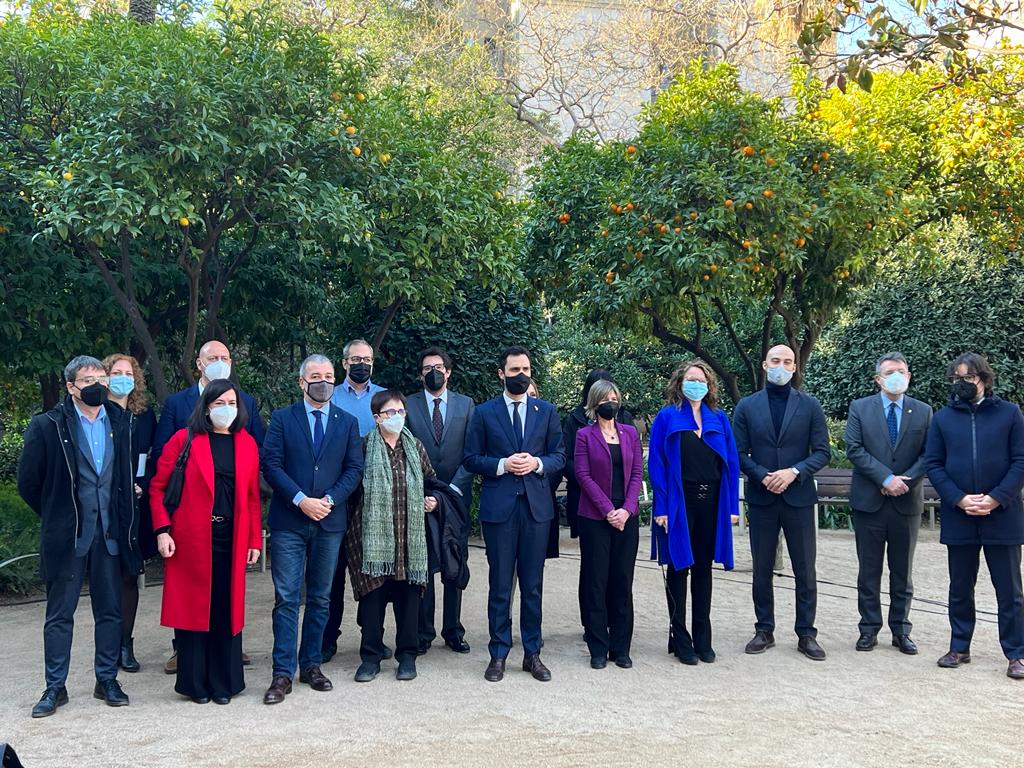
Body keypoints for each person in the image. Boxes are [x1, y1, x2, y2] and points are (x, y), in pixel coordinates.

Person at [18, 355, 140, 717]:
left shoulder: (121, 421)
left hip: (109, 534)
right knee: (59, 615)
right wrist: (58, 516)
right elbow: (29, 483)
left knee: (110, 610)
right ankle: (55, 687)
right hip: (68, 537)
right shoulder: (48, 425)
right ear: (71, 387)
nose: (98, 385)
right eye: (89, 380)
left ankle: (107, 679)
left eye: (101, 377)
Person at [152, 339, 264, 674]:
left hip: (232, 535)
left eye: (231, 402)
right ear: (206, 407)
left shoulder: (246, 444)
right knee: (193, 607)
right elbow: (158, 487)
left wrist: (255, 540)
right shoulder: (183, 439)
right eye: (219, 402)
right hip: (190, 537)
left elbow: (252, 496)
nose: (226, 407)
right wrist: (162, 530)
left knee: (225, 608)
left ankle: (226, 680)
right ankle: (194, 681)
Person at [260, 355, 364, 704]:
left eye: (329, 376)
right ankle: (282, 673)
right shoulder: (282, 418)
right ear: (301, 382)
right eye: (315, 376)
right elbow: (271, 465)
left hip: (330, 520)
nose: (323, 382)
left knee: (321, 597)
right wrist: (302, 499)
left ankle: (312, 664)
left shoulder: (347, 423)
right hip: (290, 520)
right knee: (287, 598)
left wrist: (330, 500)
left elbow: (353, 469)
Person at [463, 347, 565, 682]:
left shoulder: (546, 411)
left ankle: (532, 653)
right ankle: (498, 653)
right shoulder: (484, 412)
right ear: (501, 373)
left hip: (537, 509)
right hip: (500, 509)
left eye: (526, 368)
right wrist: (501, 465)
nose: (521, 374)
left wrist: (536, 464)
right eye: (514, 369)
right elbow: (471, 458)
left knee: (533, 585)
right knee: (500, 584)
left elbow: (558, 457)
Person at [925, 352, 1024, 679]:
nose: (960, 384)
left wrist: (996, 498)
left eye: (967, 378)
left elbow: (1020, 461)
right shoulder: (942, 418)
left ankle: (1016, 653)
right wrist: (958, 499)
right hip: (960, 514)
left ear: (983, 378)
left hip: (1003, 514)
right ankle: (959, 646)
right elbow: (934, 464)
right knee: (959, 586)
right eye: (955, 379)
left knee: (1009, 589)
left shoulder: (1010, 414)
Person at [733, 344, 831, 660]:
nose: (781, 366)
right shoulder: (747, 406)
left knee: (805, 568)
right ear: (765, 364)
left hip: (798, 496)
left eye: (787, 361)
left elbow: (822, 452)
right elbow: (738, 453)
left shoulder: (810, 405)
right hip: (762, 496)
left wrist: (793, 472)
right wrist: (763, 475)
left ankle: (806, 633)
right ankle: (764, 629)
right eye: (776, 360)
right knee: (762, 567)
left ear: (795, 367)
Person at [345, 391, 440, 683]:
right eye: (389, 412)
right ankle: (370, 657)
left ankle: (407, 656)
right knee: (372, 600)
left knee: (409, 600)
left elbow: (431, 482)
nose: (396, 417)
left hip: (409, 541)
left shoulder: (415, 447)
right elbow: (350, 491)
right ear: (376, 417)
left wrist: (433, 500)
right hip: (372, 542)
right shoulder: (362, 448)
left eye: (400, 411)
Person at [650, 361, 740, 665]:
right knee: (678, 567)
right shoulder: (667, 417)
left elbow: (731, 464)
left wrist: (731, 507)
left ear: (709, 385)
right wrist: (661, 506)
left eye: (701, 380)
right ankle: (680, 637)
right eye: (690, 379)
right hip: (679, 501)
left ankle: (703, 638)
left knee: (703, 568)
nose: (696, 384)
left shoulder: (719, 418)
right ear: (679, 383)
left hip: (712, 501)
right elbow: (657, 465)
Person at [845, 352, 932, 654]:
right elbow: (854, 449)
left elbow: (929, 454)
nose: (897, 376)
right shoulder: (860, 408)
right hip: (870, 501)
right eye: (890, 371)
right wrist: (885, 479)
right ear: (878, 378)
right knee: (869, 570)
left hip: (906, 502)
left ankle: (901, 629)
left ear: (909, 376)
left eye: (902, 371)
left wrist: (903, 481)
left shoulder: (923, 411)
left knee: (902, 571)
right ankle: (868, 628)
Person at [405, 347, 475, 656]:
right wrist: (424, 494)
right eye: (426, 367)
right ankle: (424, 631)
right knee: (425, 564)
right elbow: (405, 453)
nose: (433, 371)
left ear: (448, 371)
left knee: (454, 562)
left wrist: (449, 491)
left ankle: (453, 630)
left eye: (438, 366)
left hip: (455, 498)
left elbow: (470, 454)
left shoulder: (467, 405)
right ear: (420, 373)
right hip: (420, 497)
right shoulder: (407, 404)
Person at [323, 338, 387, 662]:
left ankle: (371, 635)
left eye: (367, 359)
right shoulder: (329, 396)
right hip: (336, 493)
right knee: (332, 571)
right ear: (344, 363)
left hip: (374, 495)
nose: (362, 363)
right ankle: (327, 638)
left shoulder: (384, 398)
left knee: (372, 568)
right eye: (356, 358)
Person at [574, 379, 644, 669]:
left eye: (615, 397)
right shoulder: (584, 435)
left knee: (622, 581)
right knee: (596, 582)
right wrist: (608, 511)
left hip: (627, 519)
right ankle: (598, 647)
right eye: (605, 398)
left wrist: (626, 510)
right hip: (595, 519)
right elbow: (582, 474)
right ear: (595, 403)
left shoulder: (630, 433)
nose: (611, 403)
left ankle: (621, 647)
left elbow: (638, 473)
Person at [103, 353, 159, 674]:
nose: (123, 377)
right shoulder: (97, 414)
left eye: (129, 373)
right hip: (106, 505)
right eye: (117, 372)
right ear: (106, 377)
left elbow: (154, 457)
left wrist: (145, 485)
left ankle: (126, 643)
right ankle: (108, 645)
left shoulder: (145, 416)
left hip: (136, 505)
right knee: (106, 577)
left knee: (129, 576)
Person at [561, 369, 634, 538]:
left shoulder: (624, 419)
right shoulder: (575, 420)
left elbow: (635, 467)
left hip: (622, 500)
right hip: (584, 497)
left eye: (612, 397)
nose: (609, 402)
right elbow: (567, 458)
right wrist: (592, 485)